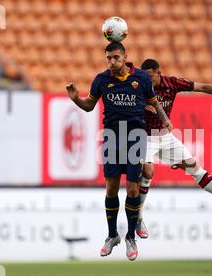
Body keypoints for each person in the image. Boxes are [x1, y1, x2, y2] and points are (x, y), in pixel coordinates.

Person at [66, 44, 172, 260]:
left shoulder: (141, 79)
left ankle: (130, 237)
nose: (112, 62)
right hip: (112, 138)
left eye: (115, 57)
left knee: (133, 190)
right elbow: (89, 106)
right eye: (108, 58)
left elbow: (154, 102)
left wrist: (165, 119)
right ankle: (112, 235)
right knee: (111, 189)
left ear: (125, 57)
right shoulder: (101, 80)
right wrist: (76, 98)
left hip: (135, 137)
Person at [136, 58, 212, 239]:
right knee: (148, 172)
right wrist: (142, 106)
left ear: (159, 73)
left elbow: (202, 87)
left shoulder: (172, 83)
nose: (147, 81)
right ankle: (137, 217)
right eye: (145, 77)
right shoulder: (138, 86)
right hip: (144, 137)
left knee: (193, 166)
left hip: (165, 137)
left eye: (150, 77)